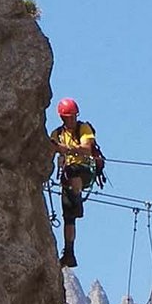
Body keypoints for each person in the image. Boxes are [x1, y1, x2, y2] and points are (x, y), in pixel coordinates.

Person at [49, 98, 100, 268]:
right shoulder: (57, 134)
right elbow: (50, 151)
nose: (71, 120)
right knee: (68, 217)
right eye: (68, 117)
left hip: (85, 170)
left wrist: (68, 149)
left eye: (73, 117)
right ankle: (69, 253)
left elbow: (87, 149)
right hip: (67, 177)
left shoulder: (83, 128)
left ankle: (77, 200)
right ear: (62, 118)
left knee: (73, 171)